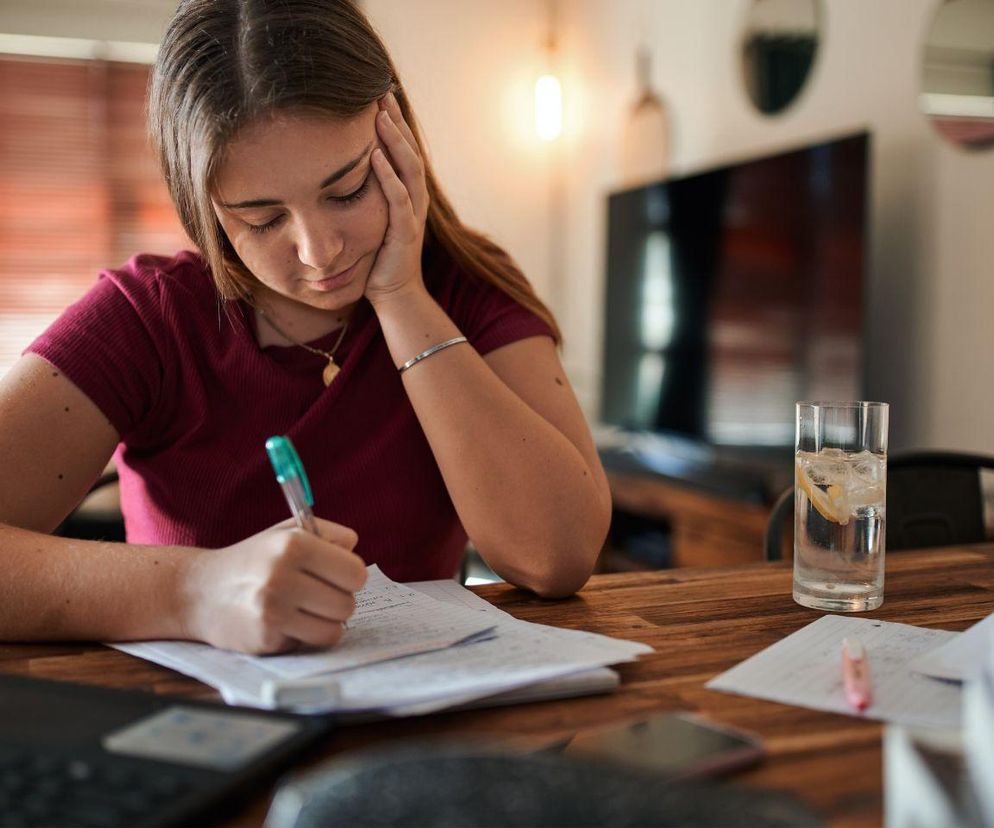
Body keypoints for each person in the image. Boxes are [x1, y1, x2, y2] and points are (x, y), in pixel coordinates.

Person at [0, 0, 611, 655]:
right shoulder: (149, 319)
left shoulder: (466, 289)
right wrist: (195, 591)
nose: (321, 253)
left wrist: (403, 297)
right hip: (204, 728)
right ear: (200, 205)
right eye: (262, 220)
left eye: (346, 191)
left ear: (395, 139)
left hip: (425, 723)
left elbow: (557, 557)